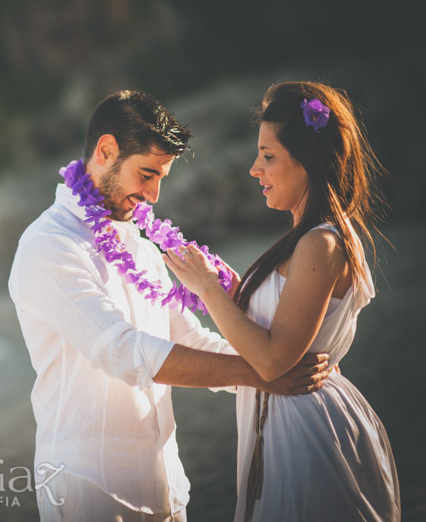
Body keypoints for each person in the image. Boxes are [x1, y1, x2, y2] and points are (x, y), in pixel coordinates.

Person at [8, 89, 331, 522]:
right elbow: (122, 351)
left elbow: (189, 338)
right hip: (90, 489)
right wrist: (261, 375)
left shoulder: (141, 247)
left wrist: (273, 364)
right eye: (146, 174)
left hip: (165, 486)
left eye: (161, 177)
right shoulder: (49, 245)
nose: (154, 195)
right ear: (105, 151)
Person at [163, 81, 400, 521]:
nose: (255, 169)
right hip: (285, 419)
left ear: (309, 162)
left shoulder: (321, 242)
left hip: (305, 429)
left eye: (269, 157)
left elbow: (273, 361)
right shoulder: (308, 239)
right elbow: (281, 331)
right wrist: (239, 293)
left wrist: (208, 290)